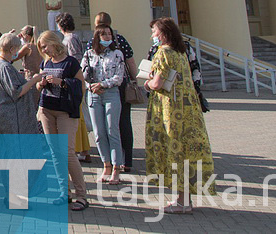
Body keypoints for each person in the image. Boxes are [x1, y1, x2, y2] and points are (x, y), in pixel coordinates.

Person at [145, 17, 215, 213]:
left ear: (164, 34)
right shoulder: (181, 52)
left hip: (170, 111)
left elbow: (157, 84)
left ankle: (182, 203)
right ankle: (184, 199)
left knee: (174, 150)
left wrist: (147, 83)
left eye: (155, 32)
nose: (153, 36)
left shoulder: (163, 53)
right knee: (185, 152)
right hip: (188, 109)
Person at [36, 30, 88, 211]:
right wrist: (40, 83)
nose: (44, 49)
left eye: (45, 46)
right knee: (55, 153)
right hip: (47, 109)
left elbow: (81, 86)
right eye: (41, 47)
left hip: (66, 111)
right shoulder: (46, 62)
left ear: (54, 42)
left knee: (67, 152)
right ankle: (64, 192)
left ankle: (81, 195)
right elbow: (38, 83)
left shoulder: (71, 62)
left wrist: (62, 82)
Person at [86, 12, 138, 172]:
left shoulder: (102, 43)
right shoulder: (120, 39)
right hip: (108, 87)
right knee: (121, 123)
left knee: (111, 126)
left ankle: (116, 162)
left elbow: (126, 61)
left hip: (115, 86)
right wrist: (134, 78)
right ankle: (126, 160)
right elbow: (131, 61)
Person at [81, 24, 126, 185]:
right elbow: (82, 75)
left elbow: (118, 77)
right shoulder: (89, 54)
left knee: (112, 130)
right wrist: (91, 86)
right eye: (104, 35)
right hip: (93, 95)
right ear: (97, 37)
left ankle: (116, 167)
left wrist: (103, 85)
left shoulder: (117, 54)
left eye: (109, 34)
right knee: (99, 133)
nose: (107, 37)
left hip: (110, 93)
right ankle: (105, 164)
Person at [0, 33, 43, 135]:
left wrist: (18, 77)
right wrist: (34, 80)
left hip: (3, 112)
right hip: (12, 116)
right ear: (12, 49)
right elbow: (16, 92)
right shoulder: (5, 67)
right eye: (17, 48)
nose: (18, 51)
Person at [58, 13, 92, 164]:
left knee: (77, 116)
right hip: (73, 80)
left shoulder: (70, 38)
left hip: (73, 81)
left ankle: (82, 149)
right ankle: (82, 149)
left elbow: (75, 59)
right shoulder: (72, 37)